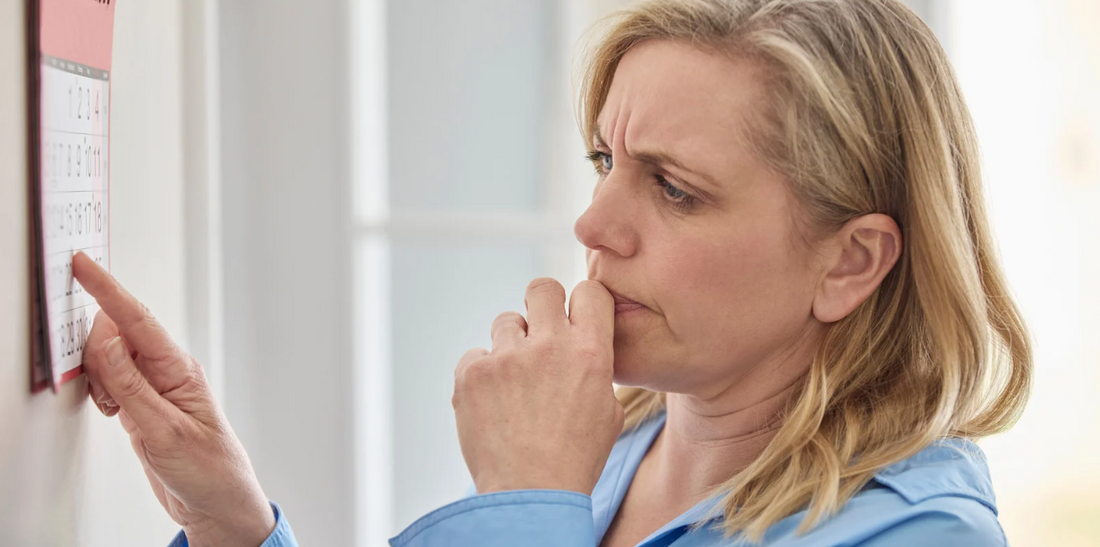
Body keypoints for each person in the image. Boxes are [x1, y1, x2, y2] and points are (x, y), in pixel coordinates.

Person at [73, 0, 1033, 545]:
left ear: (850, 261)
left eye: (676, 189)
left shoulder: (921, 538)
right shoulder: (616, 448)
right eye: (606, 162)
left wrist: (526, 503)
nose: (593, 224)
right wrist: (233, 526)